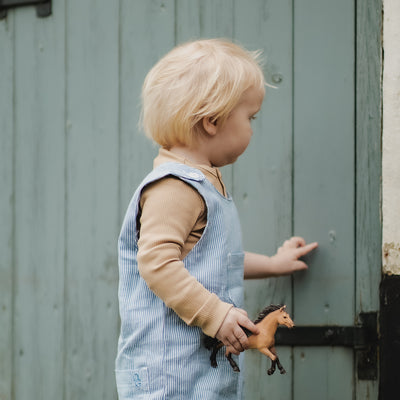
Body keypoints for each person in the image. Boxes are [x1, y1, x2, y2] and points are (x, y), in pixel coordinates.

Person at [115, 38, 318, 399]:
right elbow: (156, 262)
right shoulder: (174, 186)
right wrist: (216, 314)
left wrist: (272, 263)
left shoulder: (203, 182)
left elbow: (216, 262)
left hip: (196, 372)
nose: (252, 128)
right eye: (250, 116)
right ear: (212, 121)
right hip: (169, 375)